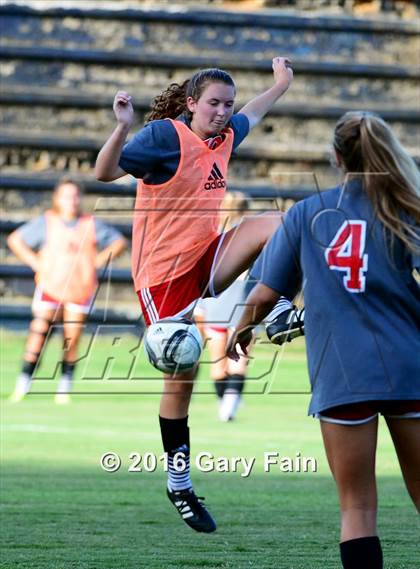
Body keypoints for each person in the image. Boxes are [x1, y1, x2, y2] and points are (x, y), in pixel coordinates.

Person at [95, 58, 303, 533]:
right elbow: (104, 172)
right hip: (163, 278)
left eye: (227, 104)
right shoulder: (165, 137)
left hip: (206, 258)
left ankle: (280, 309)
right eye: (214, 103)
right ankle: (179, 483)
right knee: (181, 383)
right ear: (191, 103)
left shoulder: (225, 135)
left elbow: (255, 110)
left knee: (280, 224)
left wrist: (281, 86)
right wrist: (121, 127)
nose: (224, 112)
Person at [227, 111, 420, 568]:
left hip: (343, 373)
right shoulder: (406, 207)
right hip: (410, 367)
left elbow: (264, 294)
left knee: (357, 509)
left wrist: (241, 328)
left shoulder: (306, 213)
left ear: (336, 158)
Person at [8, 178, 127, 404]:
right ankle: (23, 385)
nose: (71, 201)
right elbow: (16, 240)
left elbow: (118, 242)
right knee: (38, 332)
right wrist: (35, 262)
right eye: (66, 196)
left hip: (79, 288)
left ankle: (64, 389)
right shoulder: (47, 222)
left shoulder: (90, 224)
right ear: (57, 198)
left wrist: (99, 260)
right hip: (51, 286)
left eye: (75, 196)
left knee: (71, 340)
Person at [194, 192, 255, 422]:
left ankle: (224, 405)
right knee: (239, 359)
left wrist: (199, 307)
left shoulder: (213, 236)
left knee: (218, 365)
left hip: (215, 304)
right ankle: (229, 406)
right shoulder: (250, 235)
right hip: (243, 304)